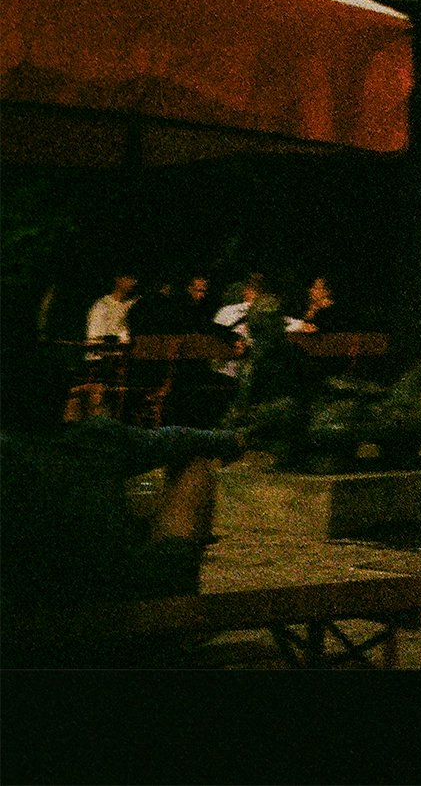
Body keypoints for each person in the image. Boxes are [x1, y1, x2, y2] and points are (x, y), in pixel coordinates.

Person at [1, 341, 247, 664]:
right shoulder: (97, 438)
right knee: (193, 467)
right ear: (63, 394)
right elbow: (182, 440)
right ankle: (180, 610)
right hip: (123, 596)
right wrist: (233, 441)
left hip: (32, 608)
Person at [84, 273, 141, 346]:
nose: (134, 282)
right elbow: (94, 339)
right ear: (118, 279)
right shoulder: (102, 306)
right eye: (129, 278)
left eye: (135, 278)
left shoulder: (134, 304)